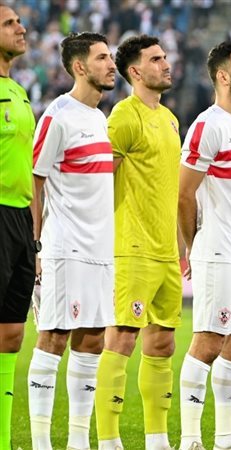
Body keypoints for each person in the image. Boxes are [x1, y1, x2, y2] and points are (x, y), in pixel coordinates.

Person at [28, 32, 116, 450]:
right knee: (54, 337)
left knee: (94, 338)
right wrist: (35, 245)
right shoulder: (58, 115)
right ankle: (42, 443)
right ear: (80, 67)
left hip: (100, 249)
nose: (111, 65)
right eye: (102, 58)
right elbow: (35, 180)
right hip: (66, 247)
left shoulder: (99, 118)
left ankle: (79, 441)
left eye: (110, 57)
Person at [93, 34, 181, 450]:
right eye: (156, 59)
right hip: (132, 248)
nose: (165, 64)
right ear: (135, 71)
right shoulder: (123, 117)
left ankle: (157, 440)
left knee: (163, 342)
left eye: (165, 57)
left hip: (166, 251)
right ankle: (109, 440)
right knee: (122, 337)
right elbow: (100, 182)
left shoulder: (170, 119)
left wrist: (179, 242)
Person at [177, 40, 231, 450]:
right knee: (209, 342)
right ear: (224, 76)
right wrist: (195, 245)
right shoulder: (207, 125)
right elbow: (183, 193)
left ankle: (227, 438)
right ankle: (191, 439)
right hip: (220, 249)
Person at [0, 5, 35, 450]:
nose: (20, 28)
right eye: (9, 23)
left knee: (11, 334)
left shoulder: (19, 91)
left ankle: (4, 440)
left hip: (20, 219)